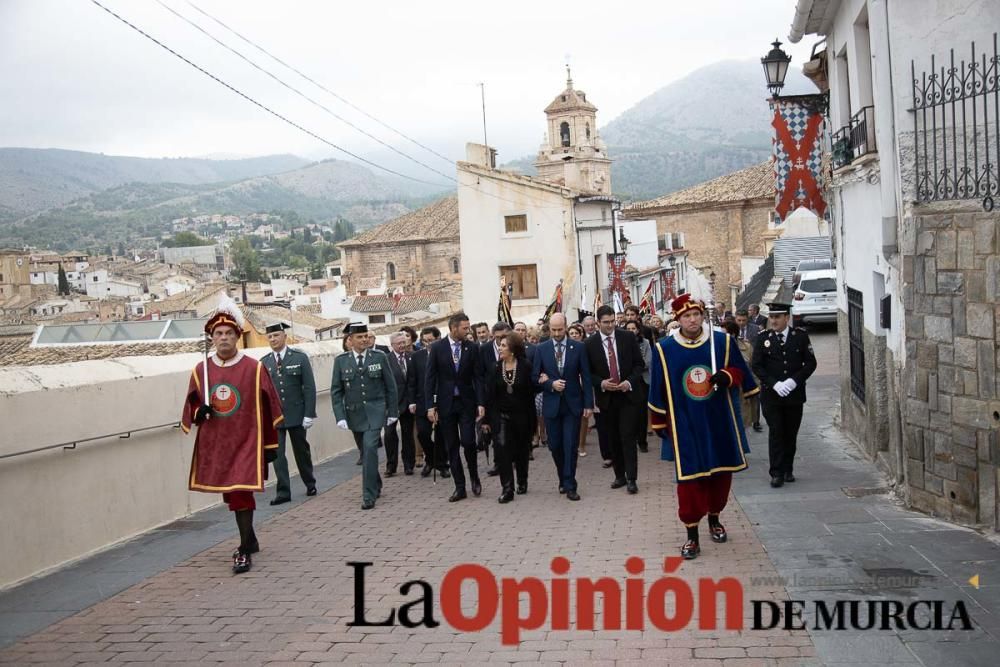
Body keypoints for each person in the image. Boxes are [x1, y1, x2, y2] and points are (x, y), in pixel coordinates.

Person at [648, 294, 759, 560]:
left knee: (720, 475)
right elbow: (657, 387)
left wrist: (728, 375)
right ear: (678, 320)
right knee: (690, 480)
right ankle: (692, 536)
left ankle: (715, 518)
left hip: (718, 417)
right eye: (687, 316)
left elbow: (741, 371)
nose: (693, 319)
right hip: (685, 422)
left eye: (696, 314)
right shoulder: (665, 349)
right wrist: (661, 422)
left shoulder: (721, 341)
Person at [180, 301, 283, 574]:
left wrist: (270, 445)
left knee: (240, 492)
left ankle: (244, 548)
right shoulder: (201, 370)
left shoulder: (254, 368)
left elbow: (270, 404)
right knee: (232, 495)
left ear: (238, 336)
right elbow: (192, 407)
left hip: (247, 440)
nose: (223, 338)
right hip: (219, 443)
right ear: (211, 338)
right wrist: (199, 412)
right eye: (218, 334)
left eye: (228, 333)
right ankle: (251, 538)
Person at [331, 323, 398, 510]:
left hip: (376, 412)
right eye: (359, 337)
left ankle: (368, 495)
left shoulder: (379, 357)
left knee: (370, 449)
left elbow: (390, 387)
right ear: (350, 340)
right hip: (354, 414)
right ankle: (375, 483)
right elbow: (336, 391)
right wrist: (340, 416)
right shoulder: (341, 361)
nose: (363, 340)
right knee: (365, 452)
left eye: (365, 336)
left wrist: (392, 412)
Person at [752, 302, 818, 488]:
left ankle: (788, 468)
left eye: (777, 317)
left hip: (794, 395)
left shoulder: (800, 337)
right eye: (772, 317)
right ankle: (776, 472)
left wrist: (793, 381)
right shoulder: (763, 338)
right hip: (771, 396)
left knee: (790, 432)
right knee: (776, 432)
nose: (773, 321)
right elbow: (756, 365)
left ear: (786, 318)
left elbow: (810, 363)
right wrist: (774, 384)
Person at [584, 305, 645, 494]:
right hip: (607, 398)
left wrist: (629, 381)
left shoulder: (626, 337)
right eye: (606, 323)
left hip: (627, 395)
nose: (610, 326)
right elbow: (588, 373)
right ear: (598, 322)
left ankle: (632, 478)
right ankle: (619, 475)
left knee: (627, 436)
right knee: (614, 438)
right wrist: (601, 383)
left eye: (612, 322)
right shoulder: (590, 344)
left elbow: (639, 364)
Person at [426, 312, 486, 502]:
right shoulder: (437, 348)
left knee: (468, 441)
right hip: (446, 404)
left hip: (466, 403)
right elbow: (430, 378)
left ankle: (474, 477)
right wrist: (430, 406)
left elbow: (478, 376)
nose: (468, 331)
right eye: (465, 328)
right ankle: (460, 487)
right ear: (453, 328)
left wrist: (481, 402)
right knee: (452, 446)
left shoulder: (472, 347)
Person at [533, 313, 593, 501]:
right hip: (551, 405)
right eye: (553, 330)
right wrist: (550, 383)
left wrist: (588, 404)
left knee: (570, 445)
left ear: (566, 327)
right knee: (555, 446)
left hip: (572, 404)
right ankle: (562, 477)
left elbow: (587, 376)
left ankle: (570, 484)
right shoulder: (541, 349)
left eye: (560, 329)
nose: (557, 333)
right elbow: (534, 378)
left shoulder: (579, 348)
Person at [262, 322, 318, 506]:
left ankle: (310, 483)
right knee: (278, 456)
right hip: (275, 417)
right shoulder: (264, 362)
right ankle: (283, 491)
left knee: (301, 451)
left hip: (297, 413)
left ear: (285, 336)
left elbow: (309, 388)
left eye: (276, 335)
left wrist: (309, 413)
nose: (273, 339)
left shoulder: (299, 358)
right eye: (270, 337)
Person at [483, 332, 535, 502]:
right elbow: (490, 395)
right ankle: (507, 489)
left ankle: (522, 480)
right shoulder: (495, 368)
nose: (500, 348)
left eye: (504, 345)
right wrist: (486, 421)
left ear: (512, 349)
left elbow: (530, 394)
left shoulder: (525, 366)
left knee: (521, 451)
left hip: (522, 416)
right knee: (503, 450)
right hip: (501, 416)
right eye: (500, 345)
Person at [407, 326, 449, 478]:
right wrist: (411, 401)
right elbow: (412, 381)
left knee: (442, 435)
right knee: (422, 434)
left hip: (442, 400)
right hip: (422, 401)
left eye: (430, 340)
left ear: (438, 338)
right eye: (424, 341)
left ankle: (443, 464)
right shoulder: (417, 356)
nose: (427, 344)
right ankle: (432, 460)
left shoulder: (447, 353)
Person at [480, 322, 511, 478]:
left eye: (504, 337)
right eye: (497, 338)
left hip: (511, 398)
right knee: (497, 434)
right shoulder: (484, 350)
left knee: (511, 432)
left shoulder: (514, 347)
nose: (500, 341)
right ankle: (499, 463)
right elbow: (480, 376)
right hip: (492, 399)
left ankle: (513, 459)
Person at [384, 332, 416, 476]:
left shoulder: (412, 357)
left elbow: (413, 381)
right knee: (390, 435)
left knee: (408, 435)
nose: (402, 346)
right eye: (399, 343)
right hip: (391, 404)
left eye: (404, 342)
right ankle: (391, 466)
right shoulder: (386, 360)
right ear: (392, 345)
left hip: (409, 403)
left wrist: (412, 401)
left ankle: (409, 464)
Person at [725, 321, 759, 432]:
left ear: (733, 334)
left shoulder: (746, 347)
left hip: (742, 390)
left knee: (741, 426)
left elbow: (754, 368)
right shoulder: (716, 348)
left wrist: (757, 386)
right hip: (725, 391)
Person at [624, 320, 651, 454]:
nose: (631, 331)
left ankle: (642, 441)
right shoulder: (622, 343)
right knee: (630, 412)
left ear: (638, 330)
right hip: (628, 381)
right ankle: (631, 439)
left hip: (642, 380)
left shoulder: (644, 342)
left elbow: (647, 361)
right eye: (628, 328)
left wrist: (636, 367)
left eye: (633, 328)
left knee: (641, 412)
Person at [567, 323, 591, 457]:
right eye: (572, 333)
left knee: (584, 416)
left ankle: (581, 444)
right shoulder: (565, 348)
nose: (574, 335)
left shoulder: (584, 347)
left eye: (576, 333)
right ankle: (573, 443)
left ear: (581, 335)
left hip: (584, 384)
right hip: (572, 386)